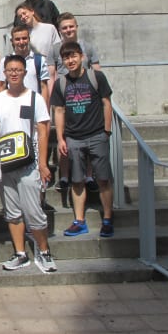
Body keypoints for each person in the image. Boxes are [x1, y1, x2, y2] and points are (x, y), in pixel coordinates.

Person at [0, 55, 57, 274]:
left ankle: (44, 250)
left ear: (25, 73)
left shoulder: (35, 98)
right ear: (5, 73)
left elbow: (43, 131)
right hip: (6, 163)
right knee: (12, 212)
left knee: (33, 210)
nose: (14, 73)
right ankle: (20, 253)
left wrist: (44, 163)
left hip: (29, 163)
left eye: (18, 69)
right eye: (10, 70)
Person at [51, 42, 115, 238]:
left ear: (82, 56)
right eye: (66, 58)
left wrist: (106, 131)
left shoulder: (96, 77)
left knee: (103, 179)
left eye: (73, 56)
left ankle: (107, 219)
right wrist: (61, 138)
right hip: (74, 138)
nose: (70, 61)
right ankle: (79, 221)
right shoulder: (61, 83)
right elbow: (59, 111)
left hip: (96, 135)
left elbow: (106, 103)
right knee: (77, 181)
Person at [47, 13, 101, 192]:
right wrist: (52, 98)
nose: (68, 30)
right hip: (64, 95)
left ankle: (89, 175)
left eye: (71, 26)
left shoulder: (88, 47)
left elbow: (97, 72)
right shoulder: (55, 49)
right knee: (64, 137)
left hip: (86, 96)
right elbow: (51, 75)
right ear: (60, 30)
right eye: (64, 28)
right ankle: (64, 176)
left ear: (76, 27)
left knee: (87, 135)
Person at [0, 25, 49, 106]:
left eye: (24, 38)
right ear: (12, 41)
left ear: (29, 39)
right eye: (17, 39)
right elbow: (2, 86)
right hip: (12, 106)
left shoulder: (39, 60)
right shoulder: (5, 61)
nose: (21, 42)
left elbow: (44, 87)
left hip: (33, 105)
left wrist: (45, 110)